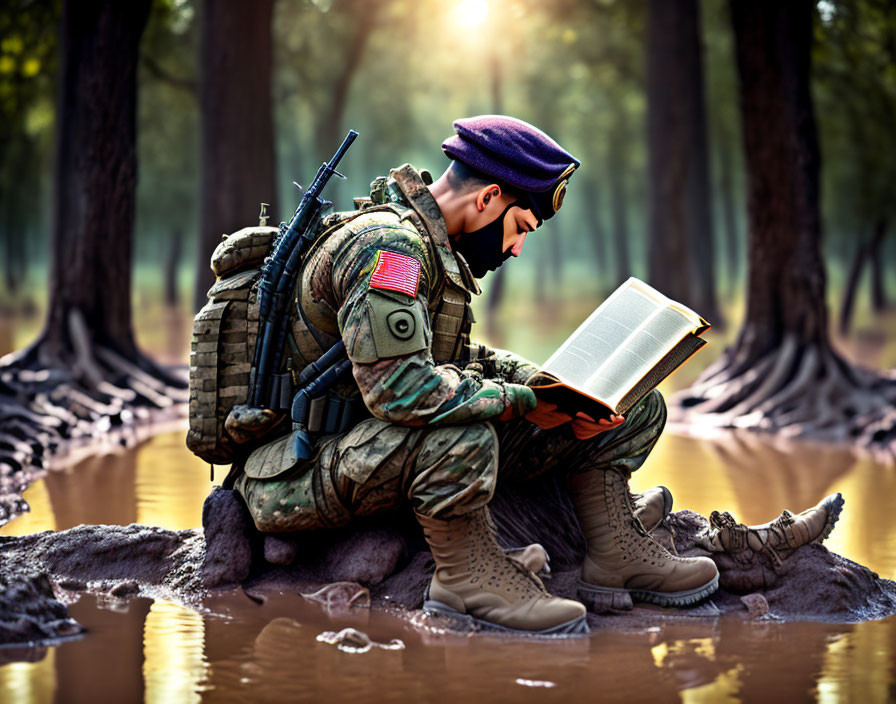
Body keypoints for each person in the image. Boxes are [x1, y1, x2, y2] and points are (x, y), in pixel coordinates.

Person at [230, 115, 719, 634]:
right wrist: (522, 401)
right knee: (464, 432)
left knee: (635, 405)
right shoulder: (388, 250)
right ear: (487, 198)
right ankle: (466, 579)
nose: (516, 248)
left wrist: (548, 386)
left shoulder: (435, 250)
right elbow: (402, 391)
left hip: (370, 449)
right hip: (295, 471)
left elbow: (456, 360)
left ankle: (615, 554)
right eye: (520, 229)